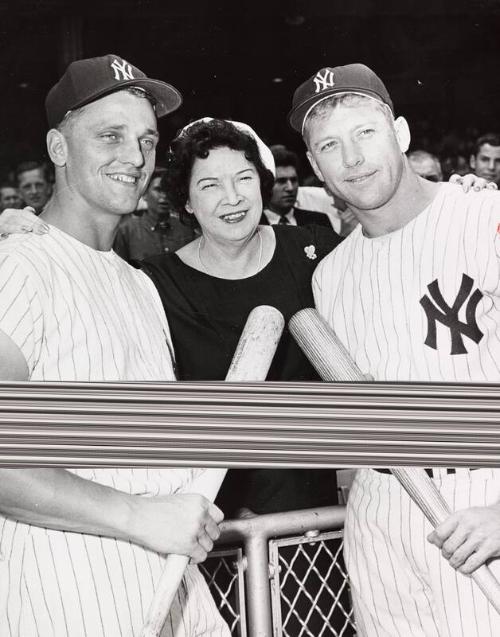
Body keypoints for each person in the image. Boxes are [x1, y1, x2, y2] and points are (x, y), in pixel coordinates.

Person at [0, 54, 228, 637]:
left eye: (147, 139)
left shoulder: (137, 284)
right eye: (110, 136)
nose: (135, 157)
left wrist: (183, 503)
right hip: (69, 601)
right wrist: (141, 514)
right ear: (57, 147)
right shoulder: (20, 264)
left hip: (170, 589)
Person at [288, 62, 500, 637]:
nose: (352, 158)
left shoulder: (484, 218)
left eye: (366, 133)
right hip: (381, 511)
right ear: (314, 166)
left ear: (401, 133)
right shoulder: (330, 275)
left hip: (482, 499)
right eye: (330, 145)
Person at [140, 118, 342, 518]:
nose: (231, 198)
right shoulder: (155, 284)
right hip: (216, 527)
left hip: (312, 522)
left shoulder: (314, 252)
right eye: (209, 185)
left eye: (243, 178)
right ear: (186, 202)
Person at [114, 165, 197, 261]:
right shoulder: (127, 231)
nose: (164, 195)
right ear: (144, 194)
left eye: (168, 190)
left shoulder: (185, 229)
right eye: (158, 190)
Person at [260, 145, 332, 227]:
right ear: (266, 185)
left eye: (293, 180)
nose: (290, 188)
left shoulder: (318, 221)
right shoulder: (254, 225)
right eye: (281, 181)